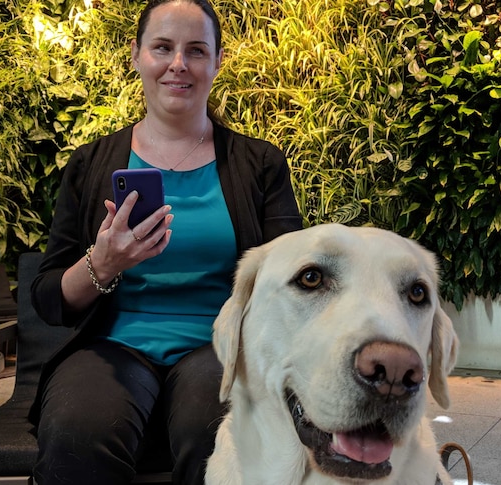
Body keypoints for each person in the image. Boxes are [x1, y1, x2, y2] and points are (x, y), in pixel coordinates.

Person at [29, 1, 303, 483]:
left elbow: (292, 282)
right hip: (112, 345)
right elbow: (50, 300)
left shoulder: (260, 164)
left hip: (219, 345)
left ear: (217, 62)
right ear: (137, 55)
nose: (179, 64)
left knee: (215, 433)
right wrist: (103, 262)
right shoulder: (90, 164)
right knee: (77, 435)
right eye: (162, 47)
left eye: (196, 50)